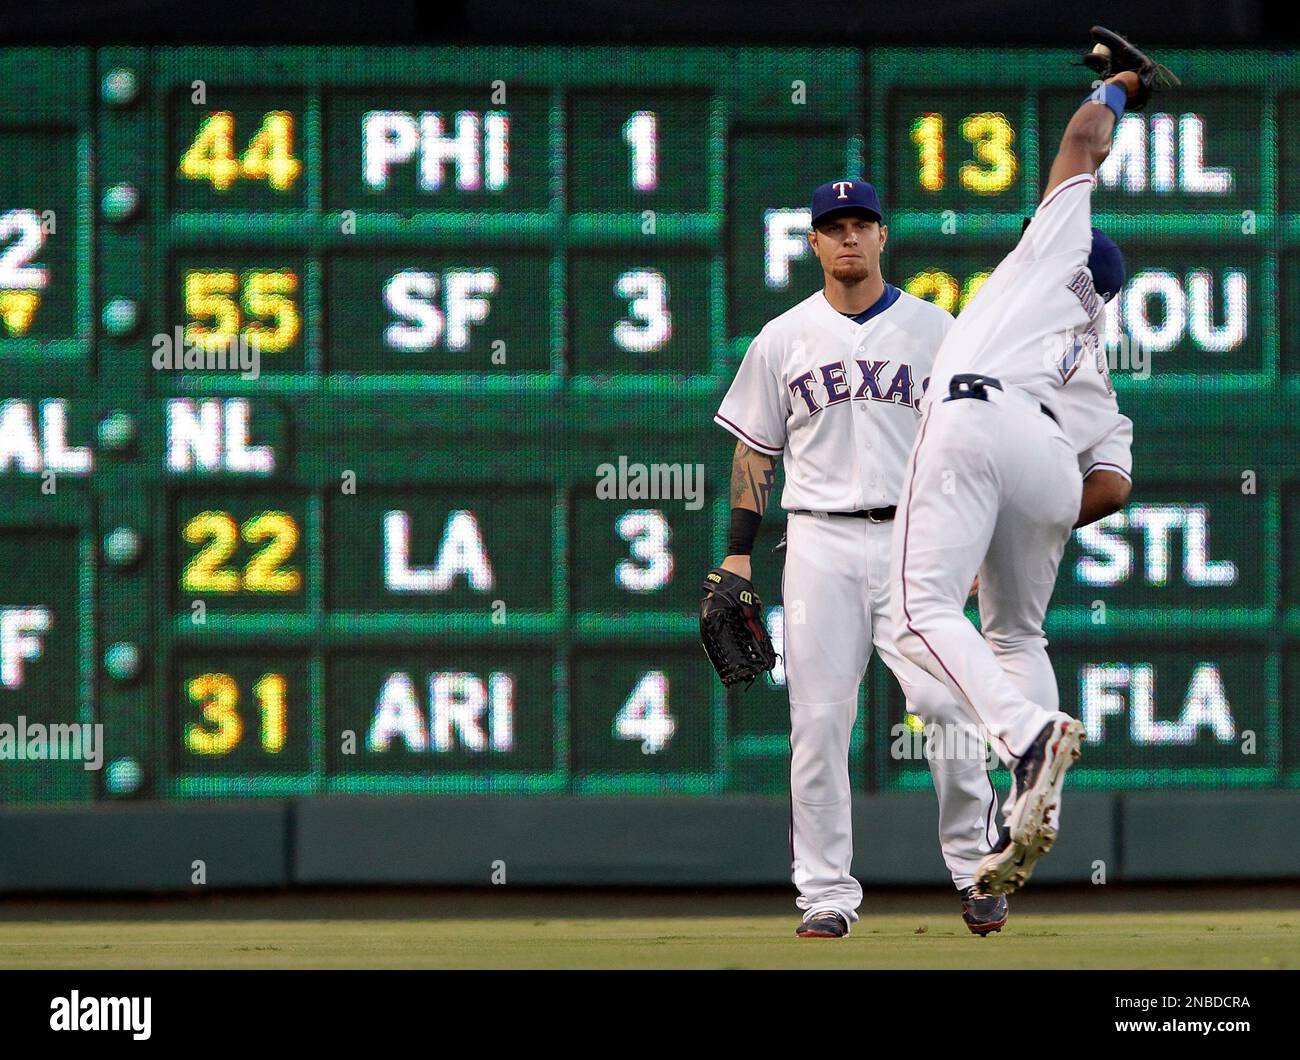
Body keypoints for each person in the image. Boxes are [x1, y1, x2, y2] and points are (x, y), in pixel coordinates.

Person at [889, 39, 1170, 894]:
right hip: (1051, 463)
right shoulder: (1097, 356)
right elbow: (1114, 487)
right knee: (1017, 633)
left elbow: (1081, 147)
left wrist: (1118, 85)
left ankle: (1028, 736)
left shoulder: (1050, 249)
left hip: (977, 414)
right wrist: (1038, 517)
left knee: (916, 609)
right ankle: (1028, 796)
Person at [712, 178, 1009, 937]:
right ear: (812, 242)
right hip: (817, 539)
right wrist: (737, 557)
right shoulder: (782, 337)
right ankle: (826, 897)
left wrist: (975, 543)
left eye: (861, 224)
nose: (848, 237)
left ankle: (977, 870)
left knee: (947, 707)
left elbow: (973, 444)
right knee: (816, 722)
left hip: (919, 539)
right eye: (833, 226)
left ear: (884, 237)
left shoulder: (938, 330)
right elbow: (754, 454)